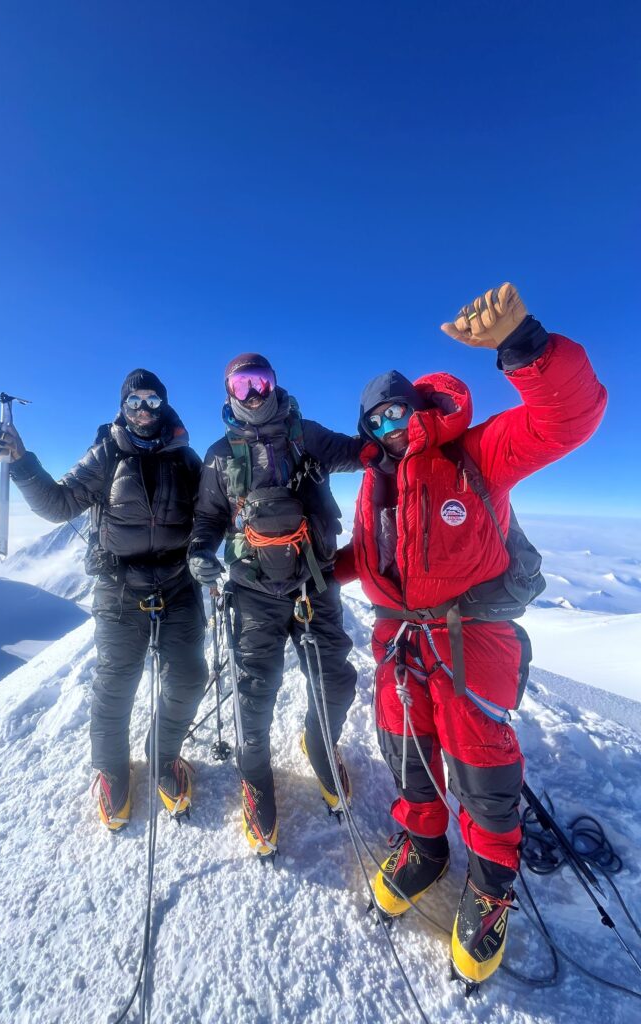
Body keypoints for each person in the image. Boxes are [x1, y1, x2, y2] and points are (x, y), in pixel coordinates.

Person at [335, 283, 607, 986]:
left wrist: (526, 348)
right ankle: (423, 846)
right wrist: (309, 568)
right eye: (375, 420)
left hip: (470, 636)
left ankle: (490, 885)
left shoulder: (475, 453)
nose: (389, 426)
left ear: (419, 406)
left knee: (480, 764)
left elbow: (565, 420)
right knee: (405, 748)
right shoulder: (378, 483)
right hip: (399, 642)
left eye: (397, 410)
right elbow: (369, 559)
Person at [0, 369, 208, 830]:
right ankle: (110, 769)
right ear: (122, 408)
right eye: (134, 403)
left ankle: (163, 757)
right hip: (119, 586)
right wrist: (22, 461)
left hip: (177, 583)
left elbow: (213, 512)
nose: (144, 411)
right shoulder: (106, 453)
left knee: (188, 676)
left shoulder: (186, 459)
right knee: (116, 682)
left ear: (164, 405)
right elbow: (58, 504)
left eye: (152, 402)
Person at [187, 353, 363, 858]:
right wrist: (200, 553)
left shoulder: (307, 435)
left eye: (260, 382)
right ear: (228, 394)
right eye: (242, 386)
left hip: (314, 582)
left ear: (276, 384)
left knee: (334, 678)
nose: (254, 394)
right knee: (255, 689)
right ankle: (256, 779)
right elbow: (208, 519)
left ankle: (320, 746)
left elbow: (360, 453)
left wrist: (393, 434)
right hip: (252, 589)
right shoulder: (219, 457)